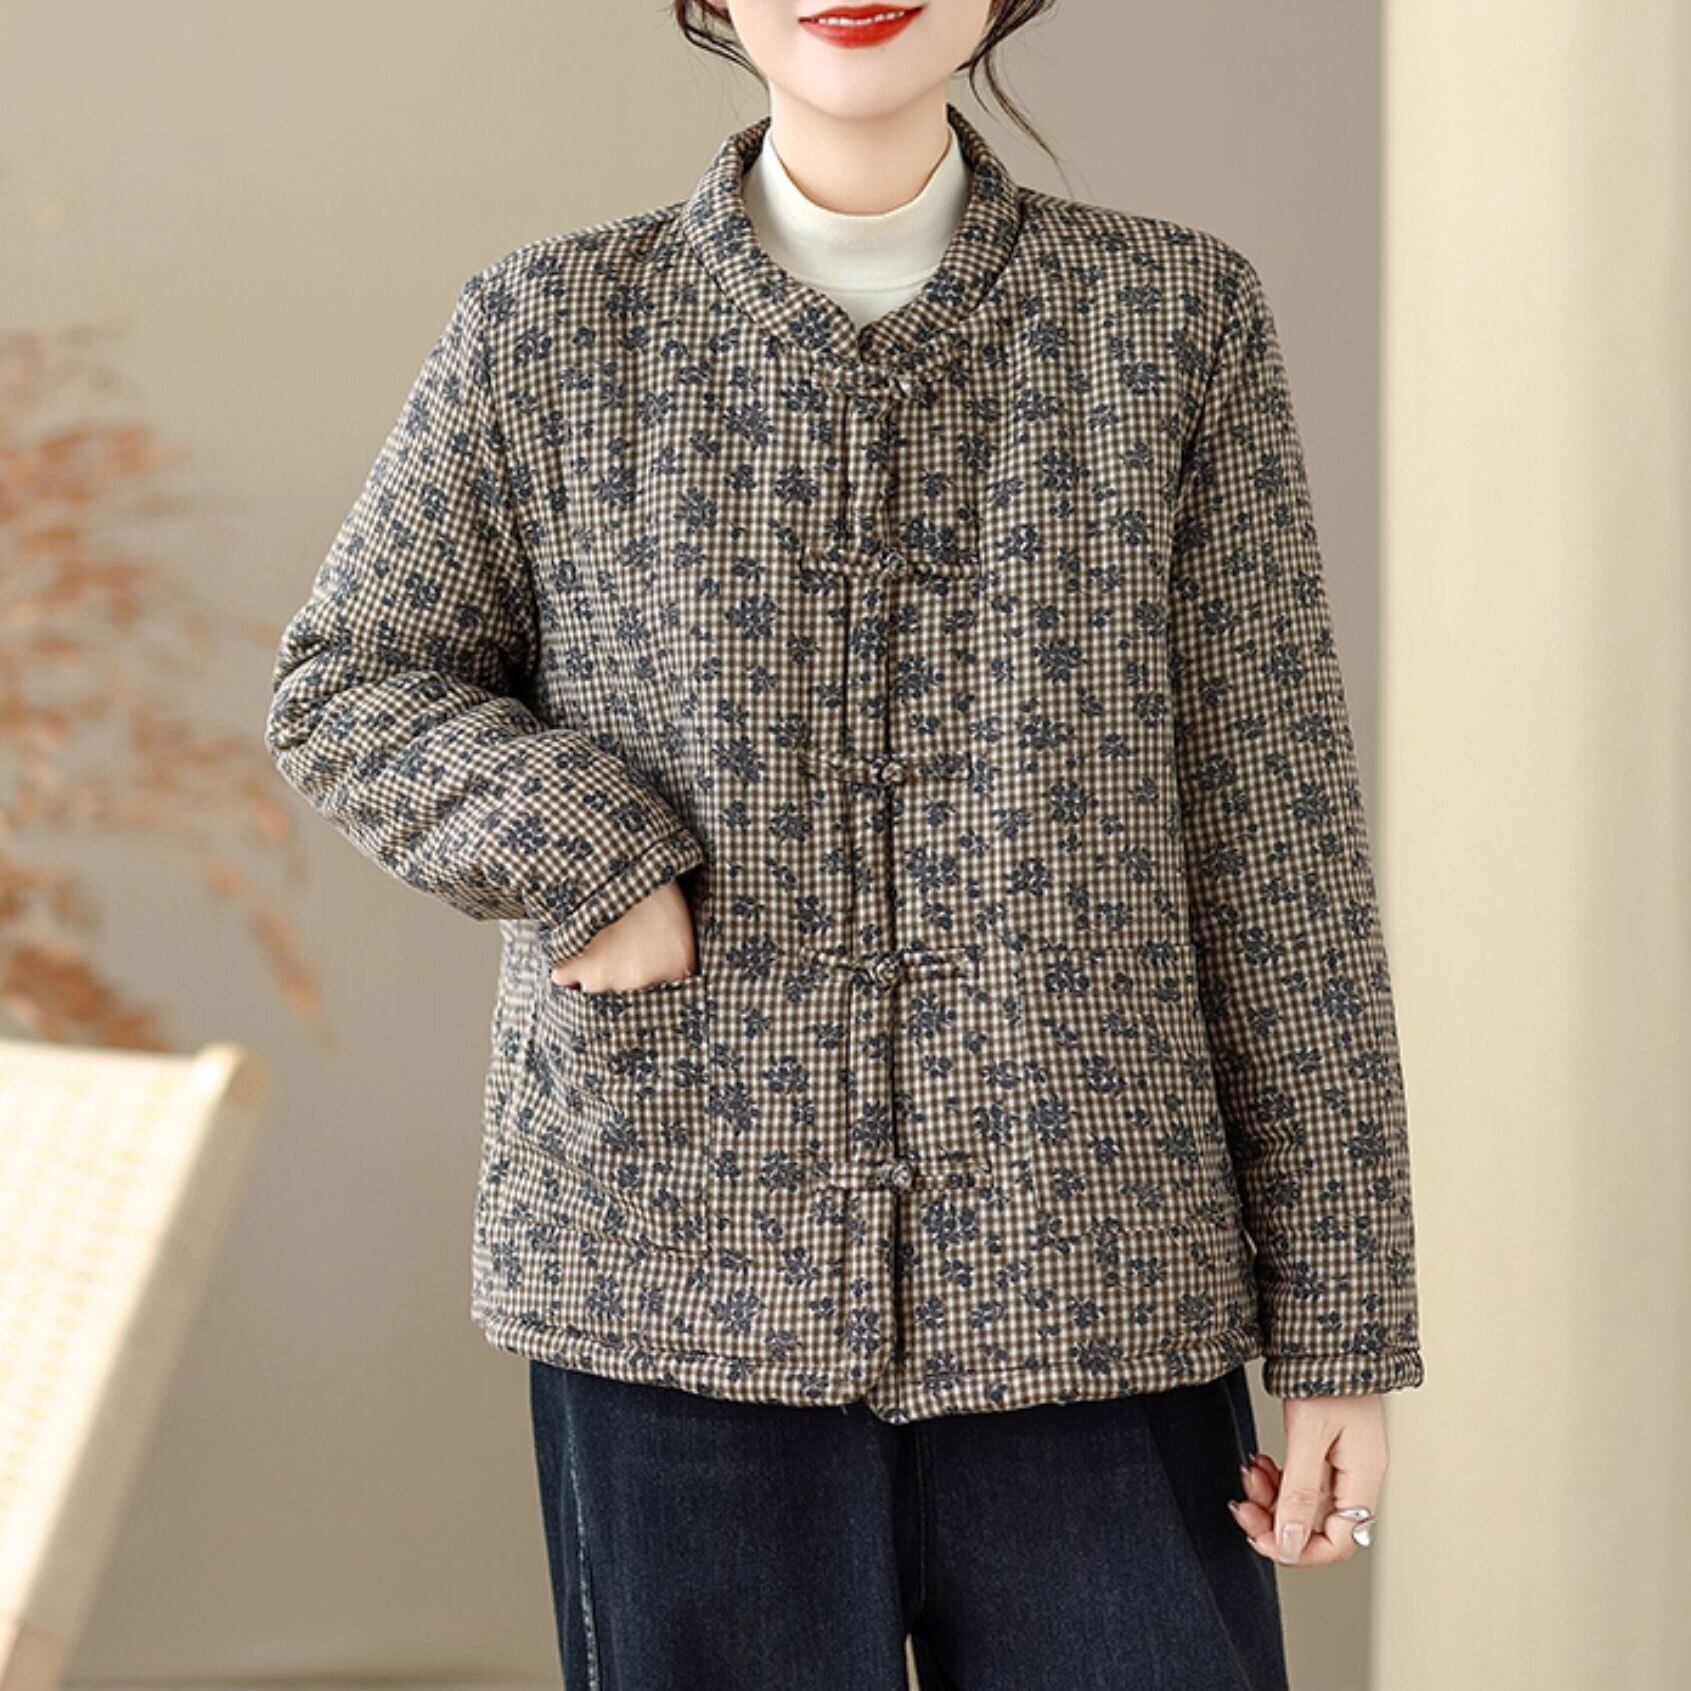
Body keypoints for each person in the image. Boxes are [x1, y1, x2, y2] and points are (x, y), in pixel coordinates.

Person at [265, 2, 1424, 1684]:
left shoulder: (1171, 321)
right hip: (674, 1293)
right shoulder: (549, 328)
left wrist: (1340, 1327)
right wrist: (591, 852)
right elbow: (348, 681)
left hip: (1095, 1283)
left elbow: (1280, 843)